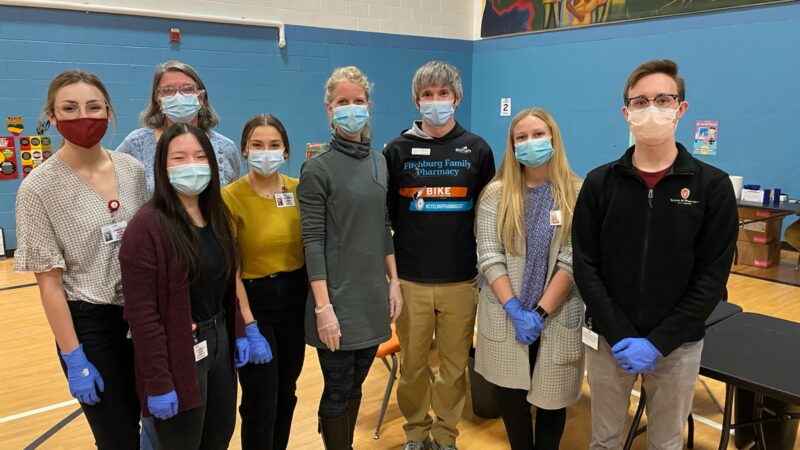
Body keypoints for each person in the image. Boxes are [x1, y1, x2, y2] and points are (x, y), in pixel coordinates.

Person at [572, 59, 739, 449]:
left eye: (662, 99)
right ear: (626, 113)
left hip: (677, 346)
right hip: (608, 342)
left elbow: (711, 279)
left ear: (680, 108)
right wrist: (619, 334)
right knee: (605, 440)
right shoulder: (600, 183)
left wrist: (659, 341)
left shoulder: (711, 187)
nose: (651, 109)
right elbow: (586, 264)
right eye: (641, 101)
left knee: (666, 443)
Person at [14, 70, 147, 449]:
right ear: (52, 116)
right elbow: (50, 284)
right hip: (92, 325)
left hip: (142, 315)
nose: (82, 116)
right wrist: (74, 355)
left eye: (93, 107)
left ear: (109, 111)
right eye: (69, 108)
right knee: (117, 437)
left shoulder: (132, 170)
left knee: (158, 427)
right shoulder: (38, 187)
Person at [119, 123, 266, 449]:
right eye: (180, 157)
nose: (192, 165)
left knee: (219, 435)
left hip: (219, 344)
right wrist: (158, 381)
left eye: (200, 156)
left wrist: (240, 331)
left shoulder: (217, 216)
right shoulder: (146, 227)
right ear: (162, 166)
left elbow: (228, 283)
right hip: (177, 351)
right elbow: (143, 317)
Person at [383, 60, 495, 450]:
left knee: (453, 369)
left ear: (457, 99)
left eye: (442, 94)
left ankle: (446, 436)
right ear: (416, 101)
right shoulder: (395, 151)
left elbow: (487, 213)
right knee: (412, 369)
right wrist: (392, 280)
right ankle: (415, 434)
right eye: (427, 95)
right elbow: (387, 218)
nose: (435, 102)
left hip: (461, 281)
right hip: (411, 281)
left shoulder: (478, 149)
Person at [297, 66, 402, 450]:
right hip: (337, 300)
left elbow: (383, 225)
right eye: (343, 102)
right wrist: (323, 308)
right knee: (338, 387)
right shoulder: (317, 168)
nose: (351, 109)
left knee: (357, 383)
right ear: (329, 109)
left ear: (369, 106)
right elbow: (312, 241)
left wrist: (394, 281)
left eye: (358, 101)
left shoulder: (379, 161)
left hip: (372, 296)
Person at [474, 108, 585, 450]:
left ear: (553, 137)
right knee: (512, 400)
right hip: (507, 317)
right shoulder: (496, 194)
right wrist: (514, 309)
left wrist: (538, 314)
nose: (530, 143)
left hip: (556, 316)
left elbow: (572, 259)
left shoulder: (577, 193)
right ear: (511, 145)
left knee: (552, 401)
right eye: (520, 137)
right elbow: (489, 255)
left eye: (538, 134)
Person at [222, 114, 308, 450]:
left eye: (274, 145)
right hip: (253, 300)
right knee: (260, 400)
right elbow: (231, 268)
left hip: (294, 296)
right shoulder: (230, 197)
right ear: (245, 150)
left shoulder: (299, 190)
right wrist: (248, 323)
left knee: (287, 391)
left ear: (286, 150)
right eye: (257, 145)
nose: (266, 152)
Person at [117, 60, 240, 195]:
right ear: (159, 100)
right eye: (168, 91)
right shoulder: (136, 144)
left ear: (201, 97)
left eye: (187, 89)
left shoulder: (225, 147)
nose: (178, 96)